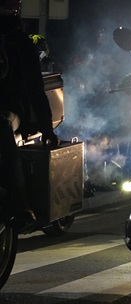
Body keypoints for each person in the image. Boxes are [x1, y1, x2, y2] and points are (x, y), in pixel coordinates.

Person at [0, 0, 60, 231]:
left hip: (8, 110)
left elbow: (36, 89)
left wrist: (47, 128)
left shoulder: (18, 44)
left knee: (2, 127)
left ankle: (21, 204)